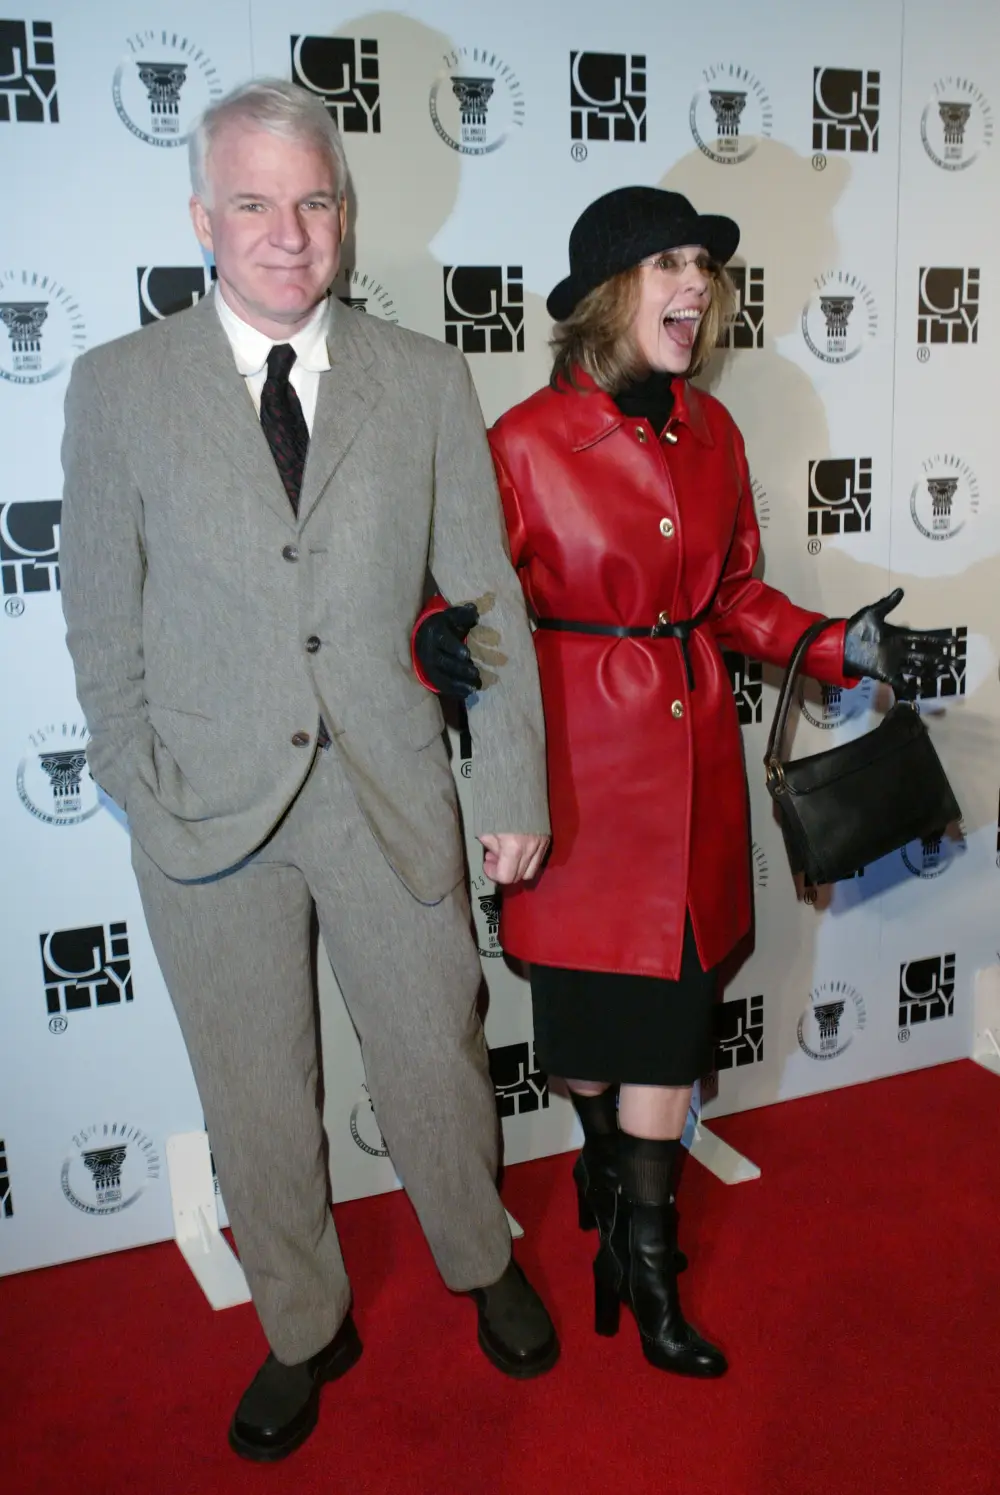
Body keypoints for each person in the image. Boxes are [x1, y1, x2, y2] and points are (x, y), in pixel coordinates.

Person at [59, 79, 557, 1463]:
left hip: (389, 789)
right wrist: (135, 777)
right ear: (204, 218)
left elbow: (485, 602)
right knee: (254, 1092)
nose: (289, 233)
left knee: (437, 1057)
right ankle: (301, 1322)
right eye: (257, 204)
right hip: (204, 811)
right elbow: (99, 611)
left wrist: (508, 782)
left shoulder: (426, 377)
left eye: (316, 201)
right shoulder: (116, 387)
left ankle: (480, 1257)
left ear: (347, 211)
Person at [417, 186, 952, 1379]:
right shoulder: (517, 443)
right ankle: (605, 1167)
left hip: (694, 763)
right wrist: (432, 643)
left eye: (703, 264)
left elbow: (736, 599)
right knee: (589, 1039)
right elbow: (445, 603)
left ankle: (647, 1274)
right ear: (610, 291)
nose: (697, 284)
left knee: (667, 1033)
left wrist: (835, 644)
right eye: (669, 263)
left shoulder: (713, 435)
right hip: (572, 780)